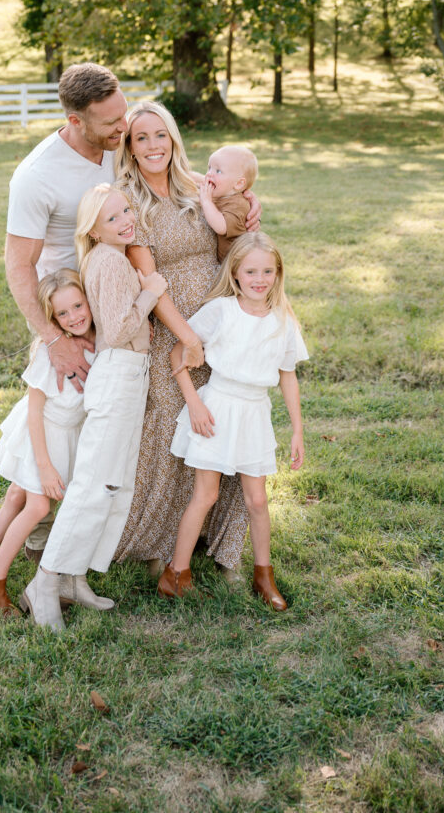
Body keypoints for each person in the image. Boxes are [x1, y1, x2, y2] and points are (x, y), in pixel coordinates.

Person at [113, 101, 257, 580]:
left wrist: (252, 206)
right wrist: (187, 336)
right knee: (171, 431)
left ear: (173, 138)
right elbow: (147, 279)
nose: (153, 146)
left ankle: (222, 542)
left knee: (228, 422)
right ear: (130, 149)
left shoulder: (198, 185)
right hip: (172, 327)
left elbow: (240, 200)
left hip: (224, 319)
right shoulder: (128, 201)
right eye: (141, 138)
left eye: (161, 135)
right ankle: (159, 543)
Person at [23, 185, 167, 631]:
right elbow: (120, 327)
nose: (125, 219)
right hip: (119, 372)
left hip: (131, 373)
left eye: (126, 209)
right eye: (112, 218)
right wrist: (153, 291)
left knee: (112, 485)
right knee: (92, 486)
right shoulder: (109, 261)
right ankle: (45, 581)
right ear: (94, 230)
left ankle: (73, 576)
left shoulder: (113, 258)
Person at [4, 63, 128, 559]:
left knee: (104, 429)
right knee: (60, 428)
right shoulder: (38, 175)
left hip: (114, 312)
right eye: (110, 122)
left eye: (124, 114)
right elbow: (18, 265)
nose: (123, 127)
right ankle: (38, 539)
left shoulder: (118, 146)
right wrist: (55, 340)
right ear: (76, 121)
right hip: (69, 319)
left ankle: (92, 534)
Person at [158, 232, 308, 609]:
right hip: (217, 409)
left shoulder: (282, 320)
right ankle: (175, 574)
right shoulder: (220, 311)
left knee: (257, 500)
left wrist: (297, 430)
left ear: (278, 273)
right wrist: (193, 403)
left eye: (268, 271)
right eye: (251, 271)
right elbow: (178, 354)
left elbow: (287, 374)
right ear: (236, 274)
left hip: (254, 413)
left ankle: (263, 575)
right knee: (205, 495)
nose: (260, 279)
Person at [0, 269, 106, 617]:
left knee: (16, 495)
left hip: (67, 432)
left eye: (78, 305)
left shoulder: (98, 341)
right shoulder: (49, 352)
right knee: (38, 507)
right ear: (51, 318)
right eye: (63, 313)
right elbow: (34, 410)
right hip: (41, 432)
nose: (74, 316)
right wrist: (44, 464)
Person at [199, 145, 259, 262]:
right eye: (209, 168)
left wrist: (206, 202)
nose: (209, 174)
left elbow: (221, 227)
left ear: (238, 184)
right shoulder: (221, 194)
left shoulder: (239, 205)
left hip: (239, 264)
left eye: (218, 171)